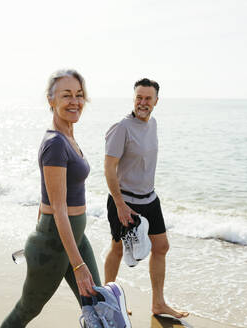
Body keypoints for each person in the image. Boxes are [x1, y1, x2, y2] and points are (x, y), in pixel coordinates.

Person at [0, 70, 101, 328]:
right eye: (66, 95)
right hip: (52, 245)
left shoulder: (68, 136)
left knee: (98, 306)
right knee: (26, 310)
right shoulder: (55, 143)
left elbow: (46, 195)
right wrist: (78, 266)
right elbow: (58, 208)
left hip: (72, 237)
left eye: (79, 95)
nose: (75, 101)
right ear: (51, 100)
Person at [103, 78, 189, 318]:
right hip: (125, 200)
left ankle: (158, 303)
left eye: (147, 98)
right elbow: (109, 168)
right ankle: (108, 301)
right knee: (118, 249)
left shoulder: (153, 124)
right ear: (133, 99)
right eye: (139, 97)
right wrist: (119, 204)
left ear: (156, 102)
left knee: (161, 247)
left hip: (150, 198)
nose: (142, 102)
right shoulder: (122, 127)